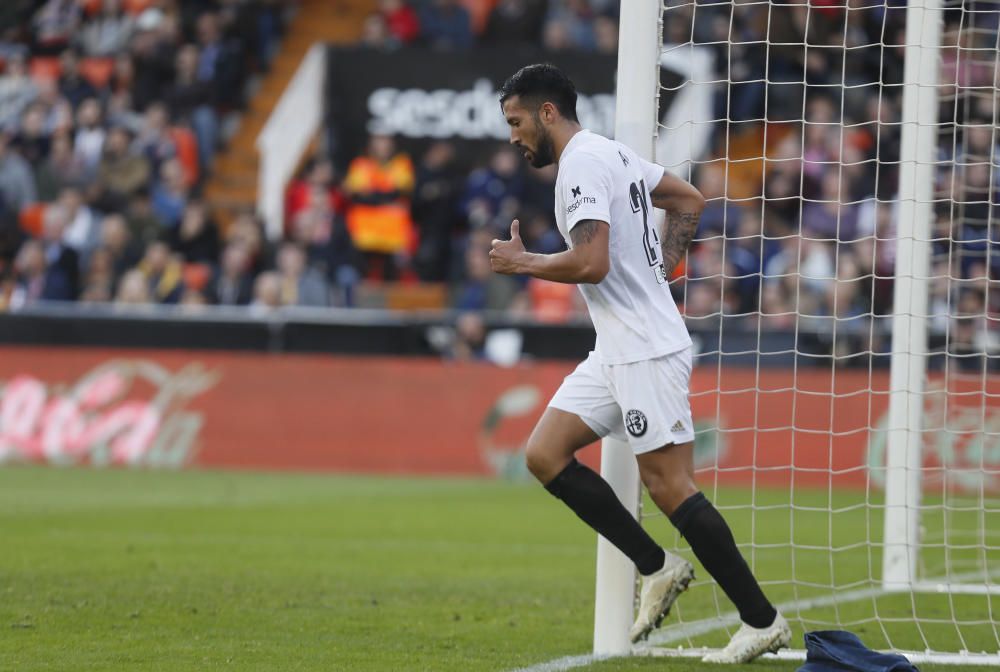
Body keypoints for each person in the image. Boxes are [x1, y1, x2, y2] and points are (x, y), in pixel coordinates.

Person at [489, 64, 791, 663]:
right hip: (618, 346)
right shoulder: (613, 154)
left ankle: (762, 621)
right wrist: (665, 268)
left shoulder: (579, 165)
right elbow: (688, 199)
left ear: (548, 113)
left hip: (646, 348)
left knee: (669, 487)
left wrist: (524, 264)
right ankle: (657, 567)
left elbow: (591, 262)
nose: (515, 136)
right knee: (544, 455)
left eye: (517, 122)